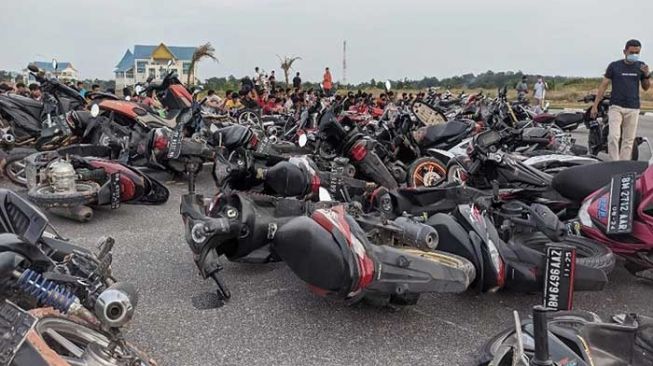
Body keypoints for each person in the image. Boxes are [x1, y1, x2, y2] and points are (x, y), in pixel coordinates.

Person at [591, 39, 650, 161]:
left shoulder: (641, 66)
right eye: (632, 52)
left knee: (628, 139)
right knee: (614, 136)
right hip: (616, 106)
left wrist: (647, 75)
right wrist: (595, 105)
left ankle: (623, 163)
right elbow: (603, 85)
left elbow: (645, 87)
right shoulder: (614, 66)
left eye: (637, 53)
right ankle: (614, 161)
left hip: (633, 107)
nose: (634, 55)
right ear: (625, 51)